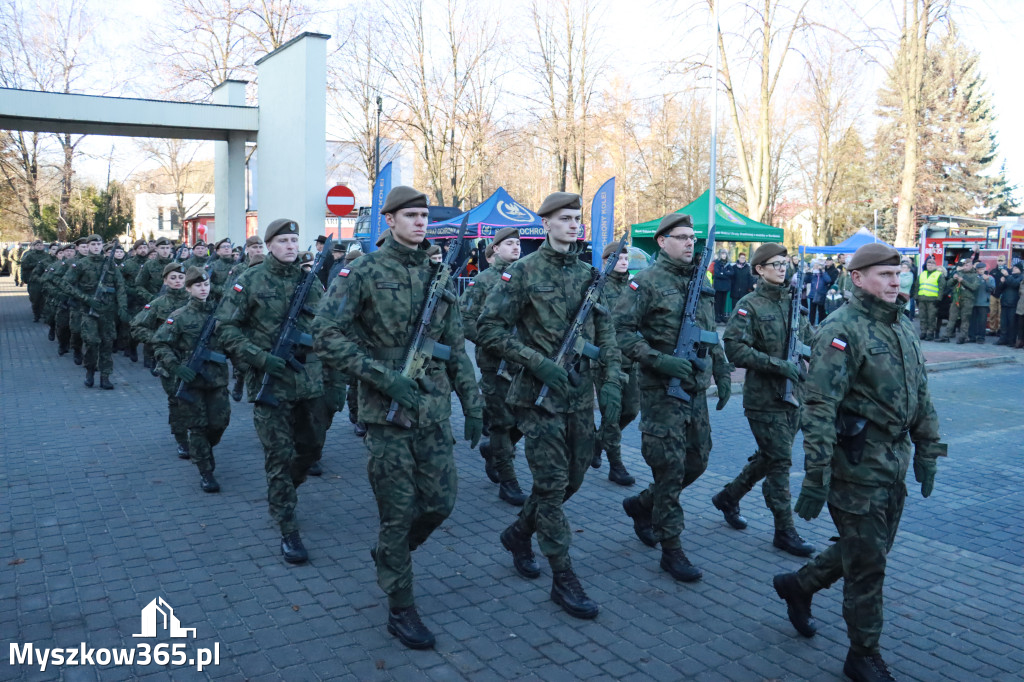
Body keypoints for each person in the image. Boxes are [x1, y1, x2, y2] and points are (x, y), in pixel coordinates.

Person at [313, 186, 482, 649]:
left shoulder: (438, 273)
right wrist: (381, 377)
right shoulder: (362, 270)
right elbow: (325, 334)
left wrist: (473, 403)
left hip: (432, 409)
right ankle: (400, 606)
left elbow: (455, 346)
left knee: (440, 504)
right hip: (386, 413)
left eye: (425, 216)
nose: (421, 222)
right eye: (411, 215)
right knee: (397, 511)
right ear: (389, 220)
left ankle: (391, 554)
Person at [773, 242, 946, 682]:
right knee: (869, 565)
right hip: (855, 465)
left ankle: (799, 585)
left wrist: (928, 448)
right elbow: (818, 407)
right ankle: (862, 654)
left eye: (899, 273)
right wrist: (815, 476)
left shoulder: (901, 325)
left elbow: (920, 394)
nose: (895, 281)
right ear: (857, 278)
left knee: (870, 548)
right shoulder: (841, 329)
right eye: (885, 275)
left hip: (894, 461)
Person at [477, 191, 620, 621]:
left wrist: (611, 381)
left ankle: (519, 533)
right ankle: (564, 577)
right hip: (537, 401)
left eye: (577, 218)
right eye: (565, 219)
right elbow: (488, 328)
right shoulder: (522, 273)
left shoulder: (588, 276)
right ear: (547, 225)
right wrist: (537, 362)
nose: (574, 225)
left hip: (578, 398)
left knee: (570, 482)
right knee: (553, 488)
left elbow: (606, 331)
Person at [613, 213, 732, 584]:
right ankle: (672, 548)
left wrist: (723, 371)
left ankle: (641, 505)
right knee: (670, 470)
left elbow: (710, 333)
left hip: (695, 391)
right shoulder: (644, 283)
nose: (689, 243)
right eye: (681, 238)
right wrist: (659, 360)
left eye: (692, 238)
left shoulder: (702, 281)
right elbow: (622, 332)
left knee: (697, 462)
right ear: (662, 242)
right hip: (662, 392)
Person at [215, 219, 330, 566]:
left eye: (294, 240)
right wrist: (260, 359)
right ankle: (287, 525)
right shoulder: (249, 280)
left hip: (308, 382)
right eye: (283, 240)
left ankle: (285, 491)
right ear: (269, 245)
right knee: (278, 457)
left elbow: (326, 324)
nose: (291, 246)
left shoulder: (309, 281)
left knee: (311, 450)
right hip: (271, 385)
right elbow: (226, 328)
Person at [712, 243, 814, 557]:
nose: (782, 268)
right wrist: (777, 364)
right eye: (774, 264)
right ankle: (784, 530)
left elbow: (810, 342)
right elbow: (736, 349)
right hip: (763, 399)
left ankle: (728, 497)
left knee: (770, 457)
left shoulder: (793, 303)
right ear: (759, 269)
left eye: (784, 263)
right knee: (780, 462)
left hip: (794, 397)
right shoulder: (749, 305)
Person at [460, 227, 529, 504]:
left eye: (518, 243)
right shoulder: (484, 280)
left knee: (526, 420)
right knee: (502, 422)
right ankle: (507, 480)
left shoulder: (528, 277)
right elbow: (465, 321)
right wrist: (496, 342)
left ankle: (495, 451)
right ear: (495, 249)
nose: (516, 248)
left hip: (526, 362)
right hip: (496, 364)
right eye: (509, 244)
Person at [152, 267, 231, 493]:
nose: (203, 289)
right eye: (198, 285)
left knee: (219, 423)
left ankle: (204, 448)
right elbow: (160, 344)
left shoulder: (220, 315)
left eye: (206, 285)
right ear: (188, 289)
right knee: (198, 426)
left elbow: (231, 343)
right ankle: (205, 471)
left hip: (217, 380)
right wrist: (176, 367)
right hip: (191, 381)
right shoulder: (178, 316)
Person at [132, 263, 192, 455]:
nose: (177, 281)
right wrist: (159, 339)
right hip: (169, 361)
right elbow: (136, 327)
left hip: (194, 360)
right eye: (173, 278)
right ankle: (182, 439)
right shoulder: (158, 304)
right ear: (165, 280)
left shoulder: (195, 300)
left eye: (181, 278)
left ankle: (199, 435)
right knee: (177, 401)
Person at [592, 241, 638, 486]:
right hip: (607, 362)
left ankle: (598, 441)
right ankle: (616, 465)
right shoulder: (598, 287)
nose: (623, 261)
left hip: (631, 360)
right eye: (618, 258)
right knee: (611, 414)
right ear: (606, 261)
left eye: (625, 258)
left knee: (631, 410)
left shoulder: (634, 287)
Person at [63, 236, 128, 389]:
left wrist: (123, 307)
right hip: (88, 311)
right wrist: (86, 299)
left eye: (99, 244)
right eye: (93, 244)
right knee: (91, 342)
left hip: (107, 311)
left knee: (107, 343)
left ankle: (105, 376)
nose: (96, 246)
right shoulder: (80, 264)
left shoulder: (110, 264)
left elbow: (120, 286)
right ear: (88, 246)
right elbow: (65, 283)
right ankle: (90, 370)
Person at [121, 240, 151, 362]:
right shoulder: (128, 264)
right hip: (133, 300)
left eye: (145, 247)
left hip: (148, 299)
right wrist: (129, 291)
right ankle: (132, 346)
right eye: (140, 248)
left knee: (149, 327)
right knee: (134, 326)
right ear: (135, 250)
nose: (143, 250)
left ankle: (148, 357)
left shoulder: (151, 264)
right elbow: (119, 281)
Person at [937, 260, 979, 343]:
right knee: (952, 317)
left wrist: (962, 281)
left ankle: (963, 337)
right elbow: (948, 284)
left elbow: (974, 287)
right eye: (964, 265)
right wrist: (953, 279)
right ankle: (946, 335)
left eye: (967, 265)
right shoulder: (959, 273)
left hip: (968, 299)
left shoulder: (975, 276)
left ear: (971, 266)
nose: (965, 266)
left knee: (965, 319)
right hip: (956, 298)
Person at [915, 257, 945, 340]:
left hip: (933, 300)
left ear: (935, 266)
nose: (930, 266)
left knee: (931, 318)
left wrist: (939, 299)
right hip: (922, 299)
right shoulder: (922, 274)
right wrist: (916, 297)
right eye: (928, 264)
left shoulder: (939, 275)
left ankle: (930, 333)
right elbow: (917, 286)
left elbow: (941, 288)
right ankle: (923, 332)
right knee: (922, 317)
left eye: (932, 265)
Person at [995, 263, 1021, 346]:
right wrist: (1002, 282)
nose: (1014, 269)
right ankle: (1002, 339)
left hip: (1014, 303)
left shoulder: (1021, 277)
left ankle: (1011, 341)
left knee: (1012, 324)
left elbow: (1015, 284)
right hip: (1005, 302)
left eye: (1016, 268)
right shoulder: (1010, 276)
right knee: (1004, 323)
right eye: (1014, 267)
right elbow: (1000, 289)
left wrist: (1007, 276)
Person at [969, 262, 994, 343]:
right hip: (973, 302)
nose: (981, 271)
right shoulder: (974, 277)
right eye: (979, 269)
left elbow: (991, 289)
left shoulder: (990, 278)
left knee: (982, 322)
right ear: (977, 270)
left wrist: (987, 281)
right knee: (972, 321)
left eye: (982, 269)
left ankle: (981, 337)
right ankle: (972, 336)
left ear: (985, 269)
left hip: (983, 303)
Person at [804, 259, 832, 326]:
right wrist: (808, 273)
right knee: (812, 312)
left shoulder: (823, 274)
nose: (816, 267)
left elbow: (828, 280)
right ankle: (811, 325)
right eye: (815, 266)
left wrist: (822, 272)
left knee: (821, 311)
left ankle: (820, 325)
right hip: (812, 295)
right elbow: (806, 280)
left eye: (817, 266)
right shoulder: (813, 274)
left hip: (821, 295)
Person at [207, 238, 235, 302]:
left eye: (229, 246)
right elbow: (207, 282)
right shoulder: (213, 266)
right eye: (223, 247)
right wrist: (220, 289)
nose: (226, 248)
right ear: (218, 251)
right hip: (218, 300)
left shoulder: (238, 265)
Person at [712, 248, 733, 323]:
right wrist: (725, 273)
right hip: (718, 286)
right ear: (720, 255)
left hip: (725, 287)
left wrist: (723, 273)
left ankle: (722, 315)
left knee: (723, 302)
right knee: (717, 302)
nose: (723, 255)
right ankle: (717, 316)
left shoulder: (728, 264)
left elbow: (732, 273)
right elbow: (717, 274)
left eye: (725, 254)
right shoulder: (717, 263)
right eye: (722, 254)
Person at [988, 255, 1007, 336]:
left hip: (1002, 295)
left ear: (1005, 262)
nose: (1000, 262)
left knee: (1000, 314)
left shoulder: (1007, 271)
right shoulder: (992, 271)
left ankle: (999, 329)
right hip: (993, 294)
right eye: (999, 260)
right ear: (997, 261)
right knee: (992, 313)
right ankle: (992, 329)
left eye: (1002, 261)